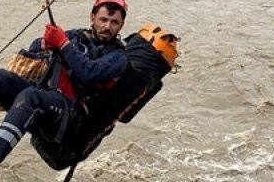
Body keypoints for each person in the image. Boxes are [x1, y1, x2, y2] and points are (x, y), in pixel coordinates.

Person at [0, 0, 130, 182]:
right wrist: (44, 43)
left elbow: (89, 72)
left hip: (71, 118)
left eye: (114, 23)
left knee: (31, 96)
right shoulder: (75, 36)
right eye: (103, 20)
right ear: (92, 17)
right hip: (47, 101)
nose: (107, 27)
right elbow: (35, 49)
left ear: (121, 26)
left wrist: (62, 44)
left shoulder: (118, 57)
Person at [32, 23, 179, 171]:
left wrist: (62, 43)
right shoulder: (151, 85)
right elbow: (126, 117)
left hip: (59, 132)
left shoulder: (120, 66)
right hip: (75, 150)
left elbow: (87, 73)